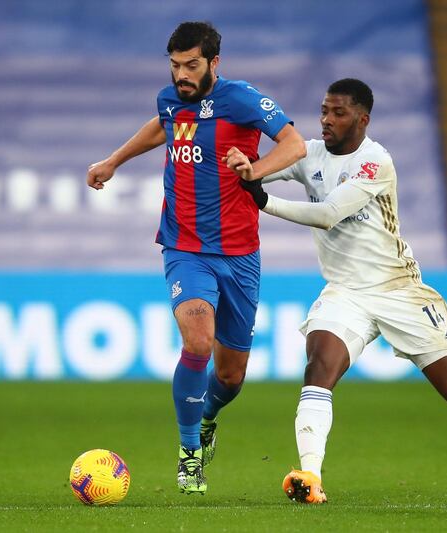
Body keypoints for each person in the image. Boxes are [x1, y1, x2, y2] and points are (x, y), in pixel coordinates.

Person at [225, 79, 447, 504]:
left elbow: (329, 214)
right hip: (346, 292)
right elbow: (268, 167)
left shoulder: (375, 162)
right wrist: (249, 168)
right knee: (318, 367)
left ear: (362, 119)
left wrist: (264, 201)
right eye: (323, 111)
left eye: (338, 113)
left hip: (397, 288)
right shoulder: (311, 155)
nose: (327, 120)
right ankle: (310, 476)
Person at [87, 21, 306, 494]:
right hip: (185, 248)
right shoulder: (170, 101)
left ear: (214, 63)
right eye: (174, 66)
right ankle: (189, 455)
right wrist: (112, 161)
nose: (181, 75)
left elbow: (295, 143)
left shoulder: (242, 99)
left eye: (191, 66)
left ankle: (207, 418)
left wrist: (255, 170)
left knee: (231, 375)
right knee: (198, 343)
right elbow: (161, 128)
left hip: (241, 253)